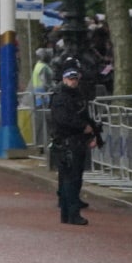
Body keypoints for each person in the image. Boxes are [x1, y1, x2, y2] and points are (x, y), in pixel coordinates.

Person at [48, 63, 98, 226]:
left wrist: (91, 133)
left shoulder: (77, 95)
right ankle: (71, 213)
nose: (73, 82)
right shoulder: (60, 97)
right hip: (67, 142)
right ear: (64, 79)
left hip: (76, 141)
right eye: (70, 79)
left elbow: (84, 116)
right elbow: (63, 119)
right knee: (71, 179)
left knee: (70, 178)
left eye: (75, 79)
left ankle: (67, 212)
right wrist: (83, 127)